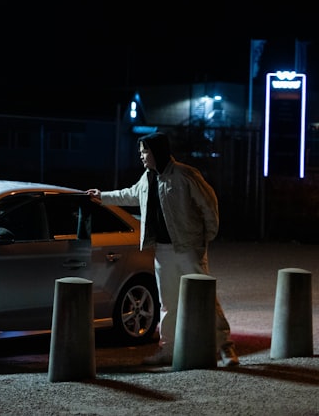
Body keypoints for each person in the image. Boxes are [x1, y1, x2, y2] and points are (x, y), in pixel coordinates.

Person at [86, 131, 239, 367]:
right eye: (140, 152)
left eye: (145, 151)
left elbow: (209, 205)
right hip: (163, 250)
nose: (141, 156)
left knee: (206, 298)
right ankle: (168, 350)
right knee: (167, 302)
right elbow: (130, 195)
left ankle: (226, 348)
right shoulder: (148, 178)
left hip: (188, 248)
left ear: (157, 151)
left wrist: (204, 238)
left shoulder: (185, 175)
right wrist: (102, 196)